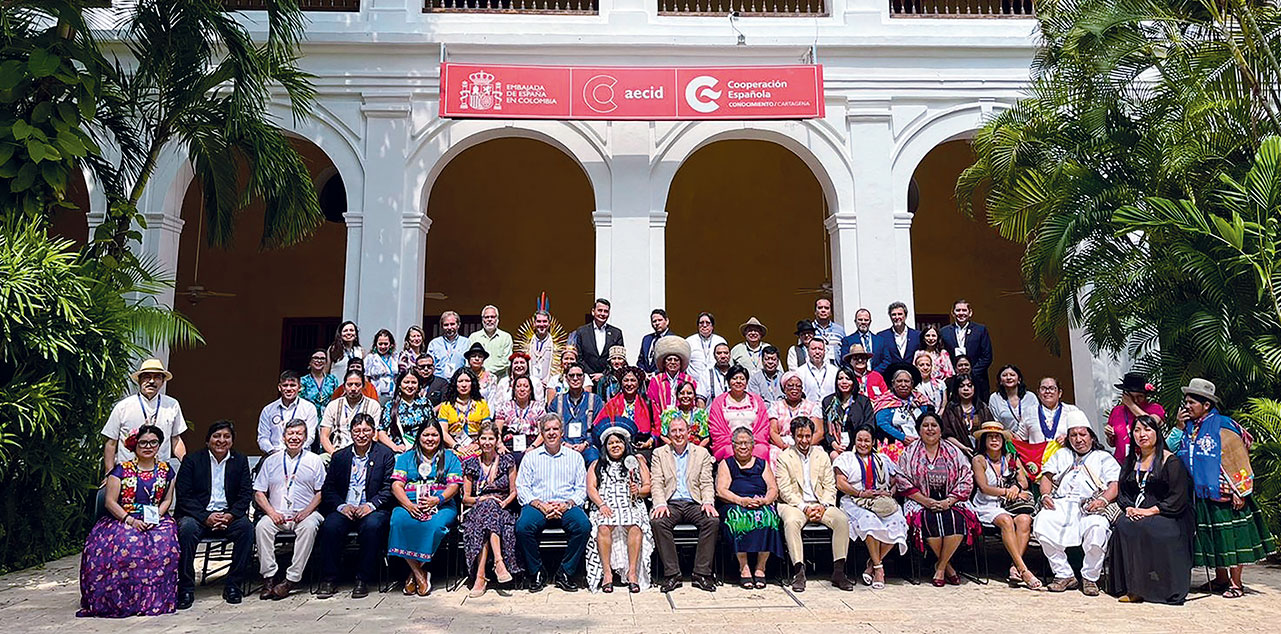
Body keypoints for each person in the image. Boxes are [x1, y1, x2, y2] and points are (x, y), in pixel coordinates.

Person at [1177, 378, 1276, 598]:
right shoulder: (1191, 428)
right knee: (1213, 537)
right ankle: (1221, 578)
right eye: (1186, 401)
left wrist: (1240, 491)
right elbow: (1178, 452)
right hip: (1201, 493)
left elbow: (1238, 458)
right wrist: (1179, 427)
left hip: (1225, 492)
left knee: (1230, 537)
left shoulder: (1224, 426)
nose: (1187, 406)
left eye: (1192, 402)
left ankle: (1236, 583)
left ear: (1206, 405)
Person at [78, 425, 179, 618]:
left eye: (153, 442)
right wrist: (130, 520)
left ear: (159, 445)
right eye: (143, 442)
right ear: (135, 445)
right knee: (127, 542)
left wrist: (157, 517)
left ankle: (154, 600)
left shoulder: (167, 470)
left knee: (164, 541)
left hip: (156, 518)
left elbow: (167, 499)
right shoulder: (121, 470)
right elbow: (109, 502)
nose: (148, 446)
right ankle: (120, 600)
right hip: (122, 518)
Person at [1109, 415, 1193, 604]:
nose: (1142, 435)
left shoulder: (1170, 461)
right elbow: (1124, 492)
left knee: (1149, 528)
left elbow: (1177, 497)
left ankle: (1160, 588)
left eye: (1147, 430)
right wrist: (1129, 508)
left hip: (1169, 513)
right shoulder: (1131, 461)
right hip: (1137, 511)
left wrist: (1151, 511)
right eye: (1137, 430)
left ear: (1157, 433)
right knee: (1124, 525)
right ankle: (1133, 588)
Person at [893, 411, 981, 587]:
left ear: (941, 429)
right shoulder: (909, 452)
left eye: (934, 425)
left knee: (957, 520)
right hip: (920, 499)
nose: (930, 429)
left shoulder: (953, 451)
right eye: (925, 426)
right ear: (919, 430)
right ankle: (947, 567)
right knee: (927, 519)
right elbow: (901, 479)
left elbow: (966, 477)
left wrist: (949, 501)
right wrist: (925, 501)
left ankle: (940, 567)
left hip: (951, 498)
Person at [1033, 418, 1121, 595]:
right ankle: (1064, 574)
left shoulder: (1103, 457)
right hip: (1062, 503)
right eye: (1073, 435)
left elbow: (1114, 485)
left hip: (1091, 505)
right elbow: (1046, 477)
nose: (1078, 439)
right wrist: (1045, 495)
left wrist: (1102, 501)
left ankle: (1090, 577)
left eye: (1083, 434)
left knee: (1098, 529)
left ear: (1091, 437)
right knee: (1042, 522)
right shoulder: (1061, 454)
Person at [316, 414, 396, 599]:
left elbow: (388, 488)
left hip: (372, 508)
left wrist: (371, 505)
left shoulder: (385, 455)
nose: (361, 435)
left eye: (366, 430)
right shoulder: (340, 456)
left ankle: (363, 579)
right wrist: (342, 506)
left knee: (372, 526)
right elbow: (328, 489)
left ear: (374, 432)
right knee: (330, 526)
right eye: (357, 431)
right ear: (351, 433)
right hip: (346, 507)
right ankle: (329, 579)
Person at [175, 420, 254, 607]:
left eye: (227, 436)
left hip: (228, 516)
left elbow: (245, 494)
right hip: (198, 516)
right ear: (207, 440)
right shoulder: (192, 460)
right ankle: (185, 588)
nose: (221, 440)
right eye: (216, 436)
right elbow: (184, 496)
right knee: (186, 530)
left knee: (247, 529)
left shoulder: (240, 460)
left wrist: (231, 515)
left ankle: (233, 585)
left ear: (232, 441)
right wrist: (205, 517)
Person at [773, 417, 855, 592]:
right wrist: (805, 507)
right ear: (793, 436)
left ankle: (839, 572)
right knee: (791, 522)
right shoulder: (784, 457)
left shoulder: (821, 455)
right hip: (794, 504)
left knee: (841, 519)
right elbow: (785, 490)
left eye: (807, 436)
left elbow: (830, 485)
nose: (804, 440)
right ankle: (799, 571)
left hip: (820, 503)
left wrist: (823, 506)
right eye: (800, 436)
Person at [515, 413, 592, 592]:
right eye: (547, 429)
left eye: (555, 429)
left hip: (566, 504)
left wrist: (567, 504)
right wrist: (540, 505)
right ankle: (536, 572)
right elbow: (522, 487)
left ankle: (565, 572)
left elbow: (581, 489)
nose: (551, 433)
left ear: (562, 431)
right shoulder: (531, 457)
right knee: (522, 527)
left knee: (583, 526)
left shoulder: (574, 457)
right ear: (541, 432)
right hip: (538, 504)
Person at [252, 419, 326, 600]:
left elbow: (321, 492)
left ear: (306, 437)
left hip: (305, 513)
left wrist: (307, 511)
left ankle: (291, 579)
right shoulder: (271, 461)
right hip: (277, 513)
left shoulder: (315, 460)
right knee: (262, 527)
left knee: (309, 527)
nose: (294, 438)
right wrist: (271, 512)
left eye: (299, 434)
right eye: (290, 434)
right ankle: (269, 577)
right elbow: (259, 492)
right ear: (284, 437)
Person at [388, 420, 463, 596]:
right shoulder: (406, 457)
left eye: (435, 435)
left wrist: (437, 500)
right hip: (409, 502)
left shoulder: (450, 457)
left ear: (441, 437)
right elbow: (396, 486)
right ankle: (420, 574)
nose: (430, 439)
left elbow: (454, 486)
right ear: (419, 436)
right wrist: (409, 505)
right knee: (398, 521)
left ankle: (413, 573)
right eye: (426, 435)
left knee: (435, 526)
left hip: (441, 503)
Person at [650, 415, 718, 593]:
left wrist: (708, 502)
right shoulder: (659, 453)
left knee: (712, 521)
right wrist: (659, 504)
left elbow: (706, 482)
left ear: (689, 432)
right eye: (674, 431)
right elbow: (656, 482)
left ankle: (701, 574)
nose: (678, 434)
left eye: (681, 430)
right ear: (668, 434)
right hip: (670, 502)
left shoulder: (701, 453)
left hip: (693, 502)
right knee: (658, 522)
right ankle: (672, 574)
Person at [833, 425, 907, 590]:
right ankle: (879, 569)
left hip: (880, 501)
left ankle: (872, 564)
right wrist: (860, 493)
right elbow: (840, 483)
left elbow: (896, 481)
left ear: (873, 441)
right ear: (855, 440)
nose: (863, 444)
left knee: (898, 521)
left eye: (867, 440)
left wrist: (890, 492)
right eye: (859, 440)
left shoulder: (883, 459)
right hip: (854, 501)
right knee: (869, 520)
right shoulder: (846, 458)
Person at [969, 421, 1041, 590]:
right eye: (990, 437)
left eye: (997, 437)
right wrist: (1006, 491)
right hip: (987, 504)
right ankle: (1024, 569)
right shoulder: (979, 460)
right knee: (1006, 521)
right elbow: (984, 487)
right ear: (984, 440)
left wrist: (1015, 488)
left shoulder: (1010, 458)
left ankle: (1014, 567)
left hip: (1010, 504)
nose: (994, 440)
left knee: (1024, 520)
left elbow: (1023, 481)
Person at [585, 427, 654, 593]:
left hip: (631, 503)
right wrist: (601, 504)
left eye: (618, 442)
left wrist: (638, 490)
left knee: (635, 525)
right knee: (603, 526)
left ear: (625, 444)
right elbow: (591, 488)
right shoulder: (597, 465)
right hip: (605, 504)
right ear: (605, 446)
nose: (615, 446)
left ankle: (632, 574)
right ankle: (607, 574)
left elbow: (648, 486)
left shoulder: (637, 461)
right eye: (611, 443)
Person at [716, 427, 785, 589]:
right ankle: (744, 567)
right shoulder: (727, 464)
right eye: (739, 443)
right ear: (733, 446)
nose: (743, 446)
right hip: (735, 503)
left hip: (760, 503)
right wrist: (741, 501)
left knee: (769, 517)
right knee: (738, 518)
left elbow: (773, 489)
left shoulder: (762, 464)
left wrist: (765, 501)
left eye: (747, 443)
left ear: (753, 445)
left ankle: (761, 567)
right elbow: (721, 491)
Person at [461, 422, 521, 598]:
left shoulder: (507, 460)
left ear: (497, 440)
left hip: (503, 508)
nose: (487, 442)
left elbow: (514, 491)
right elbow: (465, 498)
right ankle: (498, 562)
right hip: (477, 507)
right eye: (483, 438)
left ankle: (480, 577)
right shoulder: (471, 463)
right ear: (478, 440)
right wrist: (483, 499)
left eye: (491, 438)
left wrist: (502, 503)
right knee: (487, 508)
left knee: (490, 513)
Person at [102, 359, 187, 478]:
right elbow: (111, 443)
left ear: (162, 382)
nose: (151, 381)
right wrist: (109, 474)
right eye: (147, 377)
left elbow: (176, 439)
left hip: (160, 474)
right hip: (128, 473)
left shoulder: (172, 405)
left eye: (157, 377)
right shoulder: (123, 406)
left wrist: (187, 465)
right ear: (139, 380)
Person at [708, 366, 773, 461]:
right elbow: (715, 429)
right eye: (734, 378)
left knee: (761, 450)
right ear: (728, 381)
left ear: (746, 383)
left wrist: (749, 442)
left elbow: (764, 426)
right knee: (729, 452)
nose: (738, 381)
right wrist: (736, 442)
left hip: (754, 442)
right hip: (728, 444)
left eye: (742, 379)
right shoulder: (719, 402)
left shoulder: (757, 400)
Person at [593, 366, 658, 454]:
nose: (629, 384)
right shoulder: (612, 404)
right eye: (626, 380)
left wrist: (650, 441)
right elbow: (599, 423)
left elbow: (657, 426)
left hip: (642, 447)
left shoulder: (647, 403)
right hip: (618, 448)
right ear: (621, 383)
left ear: (638, 383)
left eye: (633, 380)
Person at [548, 363, 603, 463]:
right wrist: (564, 444)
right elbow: (550, 426)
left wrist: (585, 444)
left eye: (579, 375)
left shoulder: (595, 400)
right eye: (571, 375)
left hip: (587, 447)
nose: (575, 378)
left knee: (594, 458)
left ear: (584, 378)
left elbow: (599, 426)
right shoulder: (557, 401)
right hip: (563, 446)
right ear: (566, 378)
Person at [1105, 372, 1167, 463]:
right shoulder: (1117, 411)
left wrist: (1131, 405)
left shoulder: (1155, 408)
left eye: (1140, 396)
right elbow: (1112, 444)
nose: (1136, 400)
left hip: (1148, 464)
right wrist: (1109, 436)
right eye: (1132, 397)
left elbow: (1152, 422)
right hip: (1121, 464)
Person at [939, 299, 993, 398]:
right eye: (958, 310)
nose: (961, 313)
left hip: (977, 379)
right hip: (954, 381)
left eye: (964, 310)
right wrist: (954, 374)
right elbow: (942, 356)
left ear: (970, 313)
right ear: (953, 313)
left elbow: (987, 356)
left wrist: (970, 374)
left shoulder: (980, 330)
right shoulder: (944, 331)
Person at [320, 369, 382, 456]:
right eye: (349, 385)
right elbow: (324, 436)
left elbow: (374, 435)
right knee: (321, 459)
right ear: (344, 386)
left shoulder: (373, 405)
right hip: (338, 450)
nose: (353, 388)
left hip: (365, 453)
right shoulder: (333, 405)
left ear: (363, 386)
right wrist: (335, 455)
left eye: (357, 385)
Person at [258, 370, 319, 454]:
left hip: (301, 455)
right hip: (273, 454)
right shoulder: (268, 410)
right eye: (285, 385)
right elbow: (263, 438)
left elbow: (310, 436)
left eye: (293, 385)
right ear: (279, 387)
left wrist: (293, 451)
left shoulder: (309, 408)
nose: (289, 389)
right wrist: (272, 452)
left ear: (299, 387)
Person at [437, 367, 492, 457]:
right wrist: (456, 446)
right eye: (460, 381)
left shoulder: (481, 404)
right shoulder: (446, 405)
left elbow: (487, 429)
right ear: (455, 384)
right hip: (453, 448)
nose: (464, 385)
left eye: (467, 381)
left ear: (472, 383)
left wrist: (477, 444)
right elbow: (443, 432)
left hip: (477, 447)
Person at [821, 365, 875, 458]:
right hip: (835, 446)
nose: (844, 382)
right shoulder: (828, 402)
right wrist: (834, 444)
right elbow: (826, 428)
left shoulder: (863, 401)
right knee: (835, 456)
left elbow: (869, 424)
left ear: (853, 381)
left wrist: (857, 444)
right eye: (840, 378)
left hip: (859, 445)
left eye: (848, 378)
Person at [873, 364, 930, 450]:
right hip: (895, 445)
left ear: (912, 384)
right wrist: (902, 437)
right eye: (899, 381)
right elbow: (882, 423)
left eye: (906, 381)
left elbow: (929, 419)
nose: (903, 385)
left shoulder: (920, 399)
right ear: (893, 383)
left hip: (922, 443)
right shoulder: (885, 401)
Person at [767, 371, 823, 455]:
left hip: (806, 442)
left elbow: (819, 432)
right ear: (784, 389)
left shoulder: (812, 406)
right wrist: (784, 445)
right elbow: (772, 431)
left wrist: (803, 445)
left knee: (818, 453)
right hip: (783, 443)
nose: (794, 388)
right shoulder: (775, 406)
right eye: (790, 385)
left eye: (798, 386)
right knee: (773, 453)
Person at [1017, 376, 1084, 445]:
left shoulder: (1072, 411)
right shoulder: (1029, 412)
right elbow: (1020, 439)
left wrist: (1068, 438)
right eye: (1043, 389)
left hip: (1065, 454)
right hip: (1038, 455)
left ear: (1060, 393)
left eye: (1052, 388)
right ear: (1038, 393)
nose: (1047, 391)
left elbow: (1084, 435)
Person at [378, 370, 432, 454]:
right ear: (400, 385)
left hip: (424, 450)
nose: (410, 386)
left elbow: (433, 426)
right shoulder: (390, 406)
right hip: (401, 451)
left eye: (414, 382)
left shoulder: (425, 403)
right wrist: (394, 447)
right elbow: (381, 432)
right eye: (406, 382)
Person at [573, 298, 625, 381]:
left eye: (606, 311)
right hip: (587, 379)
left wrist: (604, 375)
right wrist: (591, 374)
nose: (603, 314)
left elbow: (618, 358)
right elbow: (579, 357)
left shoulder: (616, 333)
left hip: (609, 380)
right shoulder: (582, 331)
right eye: (600, 310)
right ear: (593, 311)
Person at [940, 373, 990, 455]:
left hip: (982, 453)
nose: (966, 389)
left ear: (975, 388)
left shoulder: (982, 407)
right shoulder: (951, 408)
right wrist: (963, 448)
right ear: (957, 389)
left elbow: (990, 431)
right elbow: (947, 434)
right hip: (957, 451)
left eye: (969, 386)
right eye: (961, 386)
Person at [496, 375, 545, 456]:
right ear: (514, 390)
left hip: (531, 446)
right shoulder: (505, 407)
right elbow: (497, 431)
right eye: (518, 386)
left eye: (526, 386)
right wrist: (500, 445)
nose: (522, 389)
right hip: (508, 446)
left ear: (530, 390)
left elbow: (542, 432)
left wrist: (533, 447)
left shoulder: (538, 407)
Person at [647, 335, 696, 412]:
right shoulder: (656, 380)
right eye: (669, 359)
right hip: (661, 420)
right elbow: (652, 403)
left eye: (676, 360)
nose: (673, 362)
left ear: (680, 363)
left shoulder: (689, 380)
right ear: (664, 363)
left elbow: (693, 402)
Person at [987, 364, 1039, 432]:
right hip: (1006, 438)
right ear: (1000, 381)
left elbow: (1037, 419)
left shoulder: (1030, 397)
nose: (1008, 377)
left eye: (1012, 375)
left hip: (1028, 438)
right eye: (1004, 375)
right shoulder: (995, 398)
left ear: (1019, 379)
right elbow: (994, 422)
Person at [871, 302, 919, 373]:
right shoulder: (882, 336)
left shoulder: (916, 335)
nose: (897, 317)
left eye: (900, 314)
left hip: (912, 377)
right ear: (890, 317)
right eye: (893, 315)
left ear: (905, 316)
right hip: (890, 377)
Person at [659, 381, 710, 447]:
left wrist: (696, 451)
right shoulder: (669, 413)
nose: (685, 396)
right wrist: (675, 447)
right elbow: (663, 436)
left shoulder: (702, 414)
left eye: (689, 393)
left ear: (694, 396)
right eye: (682, 393)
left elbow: (706, 438)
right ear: (677, 396)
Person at [470, 304, 514, 378]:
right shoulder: (473, 337)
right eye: (486, 317)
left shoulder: (506, 337)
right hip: (478, 379)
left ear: (497, 319)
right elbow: (469, 360)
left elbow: (507, 361)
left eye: (492, 317)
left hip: (500, 381)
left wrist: (486, 371)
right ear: (482, 320)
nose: (489, 319)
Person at [427, 311, 468, 379]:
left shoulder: (466, 343)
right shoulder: (434, 344)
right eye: (446, 325)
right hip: (439, 382)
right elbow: (430, 366)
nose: (449, 327)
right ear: (442, 326)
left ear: (458, 325)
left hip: (459, 382)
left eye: (452, 324)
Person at [685, 311, 727, 380]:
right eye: (701, 323)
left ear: (712, 326)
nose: (704, 325)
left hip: (716, 381)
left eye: (707, 323)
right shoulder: (689, 341)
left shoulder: (720, 341)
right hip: (695, 383)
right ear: (698, 326)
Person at [300, 349, 339, 419]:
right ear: (310, 361)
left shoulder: (332, 380)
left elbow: (336, 400)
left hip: (328, 419)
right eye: (315, 358)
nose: (319, 361)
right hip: (308, 418)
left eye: (322, 358)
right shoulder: (303, 381)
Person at [524, 309, 559, 385]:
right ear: (534, 323)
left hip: (549, 383)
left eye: (545, 321)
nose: (542, 324)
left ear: (549, 323)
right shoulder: (528, 343)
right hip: (531, 384)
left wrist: (548, 380)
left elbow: (559, 367)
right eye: (539, 321)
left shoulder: (554, 344)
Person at [364, 328, 399, 404]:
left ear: (390, 344)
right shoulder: (370, 358)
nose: (383, 346)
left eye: (386, 344)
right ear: (376, 344)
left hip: (392, 395)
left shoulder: (395, 357)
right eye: (380, 344)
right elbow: (366, 378)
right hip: (375, 395)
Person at [798, 338, 836, 403]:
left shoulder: (834, 371)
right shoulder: (800, 372)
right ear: (808, 351)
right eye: (814, 349)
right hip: (809, 411)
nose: (817, 352)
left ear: (824, 351)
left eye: (820, 349)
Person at [637, 308, 673, 374]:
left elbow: (671, 362)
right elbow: (640, 360)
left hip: (663, 378)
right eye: (654, 321)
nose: (657, 323)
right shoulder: (646, 339)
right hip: (646, 379)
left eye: (660, 320)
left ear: (667, 321)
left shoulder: (672, 339)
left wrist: (655, 373)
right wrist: (643, 373)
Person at [327, 321, 364, 385]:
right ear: (340, 334)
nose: (349, 333)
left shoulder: (360, 350)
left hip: (354, 388)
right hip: (337, 387)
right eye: (345, 331)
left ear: (355, 334)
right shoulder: (333, 349)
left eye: (351, 330)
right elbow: (326, 371)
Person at [812, 297, 845, 365]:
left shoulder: (840, 330)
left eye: (826, 308)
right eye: (820, 308)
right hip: (814, 370)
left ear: (830, 312)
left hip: (836, 370)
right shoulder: (808, 330)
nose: (823, 310)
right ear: (815, 311)